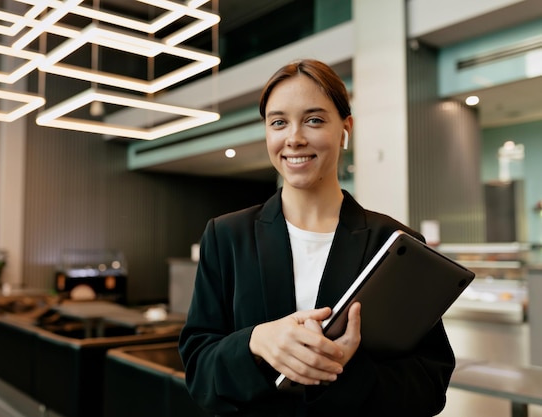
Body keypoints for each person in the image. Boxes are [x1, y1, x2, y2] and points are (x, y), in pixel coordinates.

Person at [178, 59, 455, 417]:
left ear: (345, 129)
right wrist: (256, 341)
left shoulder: (394, 244)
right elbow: (200, 372)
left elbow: (430, 388)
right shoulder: (226, 236)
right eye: (278, 122)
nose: (294, 138)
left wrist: (344, 370)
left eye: (314, 120)